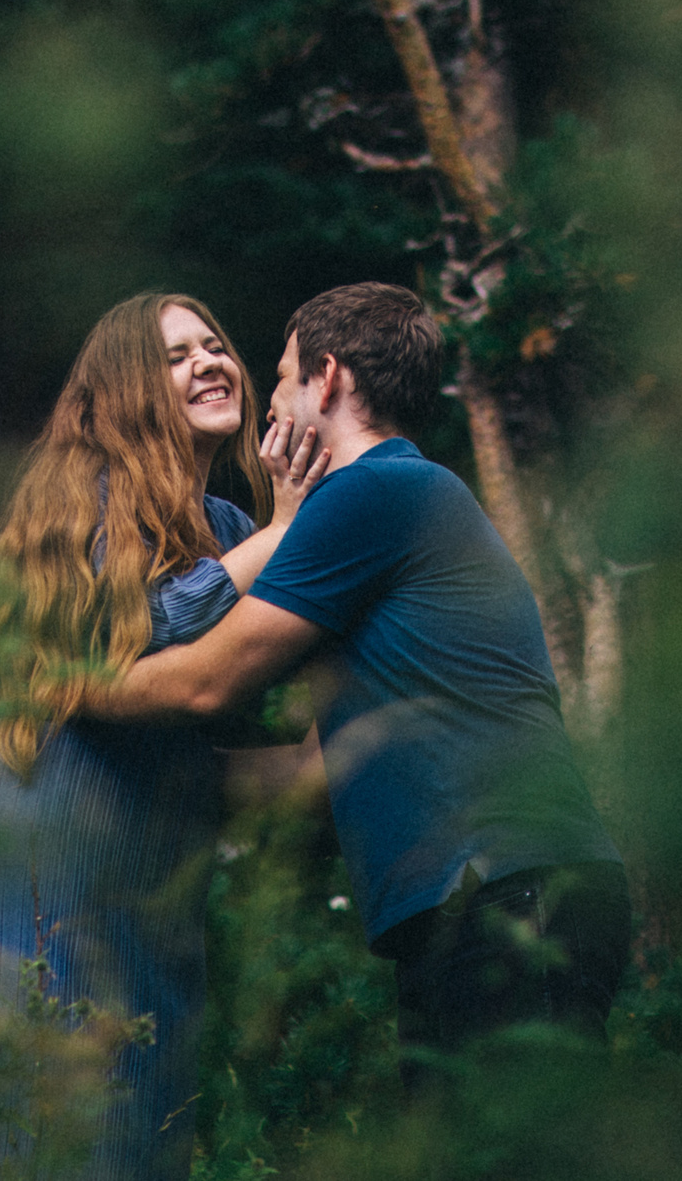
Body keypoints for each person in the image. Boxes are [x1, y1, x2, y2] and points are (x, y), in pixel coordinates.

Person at [85, 282, 626, 1092]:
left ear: (328, 377)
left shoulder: (371, 492)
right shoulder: (395, 497)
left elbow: (205, 681)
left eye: (281, 377)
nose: (269, 402)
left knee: (526, 1147)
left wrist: (70, 689)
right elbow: (316, 770)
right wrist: (159, 772)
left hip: (506, 888)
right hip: (483, 899)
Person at [0, 292, 328, 1180]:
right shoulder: (83, 495)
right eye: (175, 355)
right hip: (42, 844)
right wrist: (283, 533)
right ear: (124, 391)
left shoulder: (229, 527)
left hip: (149, 864)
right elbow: (128, 636)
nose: (209, 362)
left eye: (213, 344)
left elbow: (227, 684)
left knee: (145, 1122)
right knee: (47, 1117)